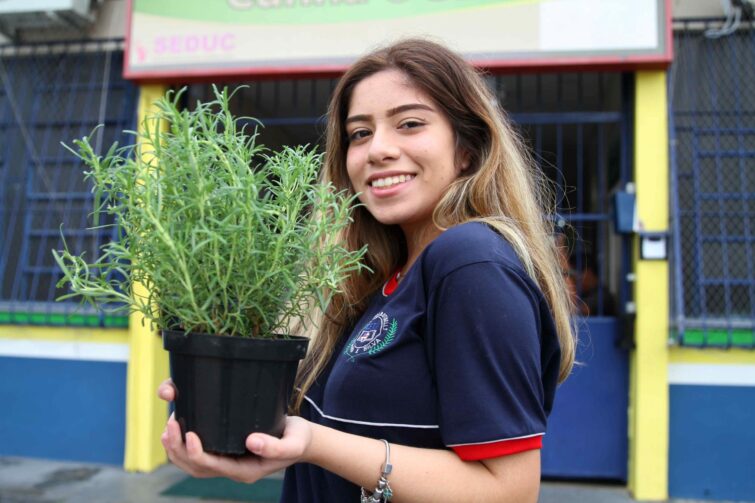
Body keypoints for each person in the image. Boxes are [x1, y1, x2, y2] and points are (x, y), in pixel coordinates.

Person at [158, 38, 576, 503]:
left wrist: (314, 444)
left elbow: (509, 492)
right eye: (360, 133)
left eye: (410, 124)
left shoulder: (469, 261)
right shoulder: (381, 277)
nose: (378, 149)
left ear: (468, 148)